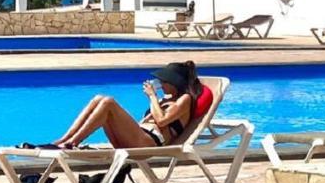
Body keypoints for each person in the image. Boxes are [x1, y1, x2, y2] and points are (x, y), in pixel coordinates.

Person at [42, 61, 213, 150]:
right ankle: (65, 140)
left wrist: (152, 96)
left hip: (148, 143)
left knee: (109, 102)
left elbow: (162, 121)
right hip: (137, 138)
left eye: (164, 80)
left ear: (175, 82)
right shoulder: (167, 98)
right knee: (98, 98)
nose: (160, 83)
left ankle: (72, 143)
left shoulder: (184, 99)